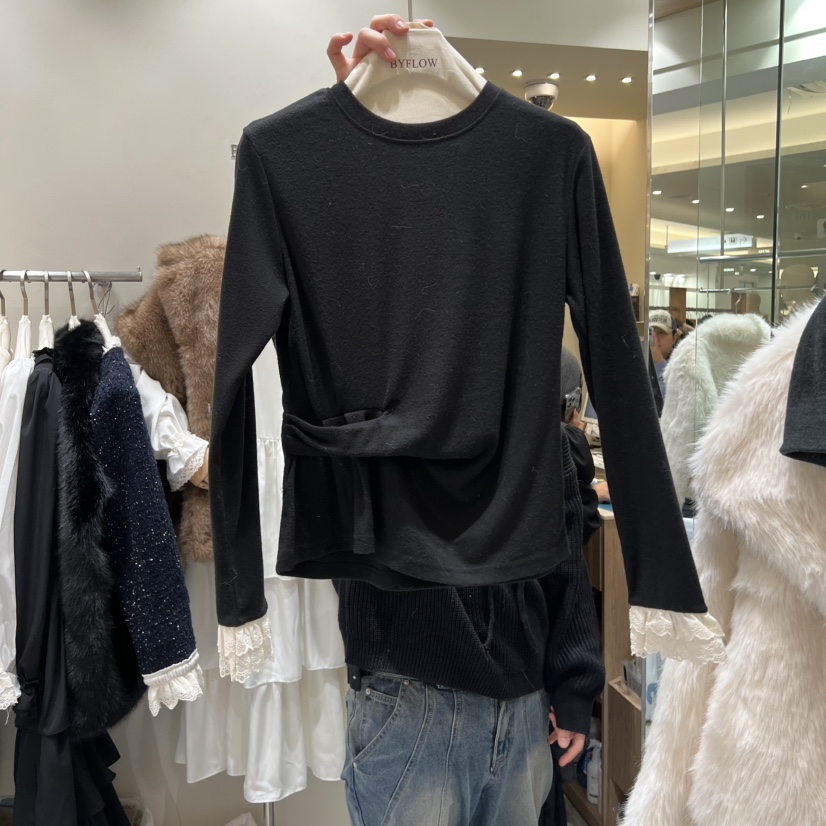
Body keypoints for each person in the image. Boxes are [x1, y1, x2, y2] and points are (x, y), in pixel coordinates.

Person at [327, 17, 604, 826]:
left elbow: (562, 550)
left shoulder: (532, 393)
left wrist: (573, 686)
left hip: (521, 704)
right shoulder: (370, 372)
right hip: (409, 694)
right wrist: (353, 122)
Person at [648, 309, 680, 415]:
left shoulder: (681, 367)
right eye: (651, 333)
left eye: (661, 333)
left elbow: (671, 407)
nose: (655, 338)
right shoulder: (639, 365)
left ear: (674, 338)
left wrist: (658, 361)